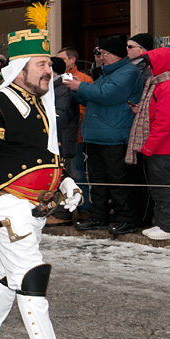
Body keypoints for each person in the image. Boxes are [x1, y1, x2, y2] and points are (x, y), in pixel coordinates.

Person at [0, 27, 99, 339]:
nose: (49, 72)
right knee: (29, 274)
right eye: (41, 65)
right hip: (6, 204)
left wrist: (65, 181)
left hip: (33, 205)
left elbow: (45, 156)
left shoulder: (39, 102)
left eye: (50, 66)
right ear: (20, 68)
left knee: (7, 275)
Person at [64, 36, 143, 236]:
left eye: (104, 53)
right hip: (97, 134)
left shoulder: (129, 72)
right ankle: (98, 217)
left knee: (117, 181)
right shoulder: (108, 73)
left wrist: (80, 86)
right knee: (98, 181)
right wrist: (76, 90)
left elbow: (108, 94)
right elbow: (93, 96)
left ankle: (126, 219)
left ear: (116, 54)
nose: (101, 57)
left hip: (115, 135)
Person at [125, 47, 170, 240]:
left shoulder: (169, 85)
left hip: (164, 146)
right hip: (159, 145)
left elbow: (164, 121)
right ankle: (163, 223)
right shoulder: (158, 83)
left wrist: (149, 145)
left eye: (151, 63)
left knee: (164, 186)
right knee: (158, 187)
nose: (149, 68)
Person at [58, 47, 92, 217]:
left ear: (72, 60)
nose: (59, 62)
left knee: (77, 172)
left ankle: (84, 207)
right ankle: (62, 209)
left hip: (75, 135)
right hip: (58, 137)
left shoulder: (84, 79)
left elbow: (88, 106)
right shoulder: (54, 79)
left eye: (63, 59)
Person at [46, 57, 79, 225]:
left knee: (64, 178)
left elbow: (62, 117)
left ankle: (63, 215)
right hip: (54, 140)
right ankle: (55, 211)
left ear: (55, 72)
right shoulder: (51, 87)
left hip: (63, 141)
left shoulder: (63, 89)